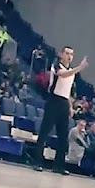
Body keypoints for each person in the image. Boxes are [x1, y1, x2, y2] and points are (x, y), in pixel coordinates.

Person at [32, 46, 87, 175]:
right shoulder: (56, 65)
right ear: (62, 54)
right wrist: (79, 68)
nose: (69, 56)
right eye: (67, 53)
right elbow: (62, 74)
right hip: (53, 101)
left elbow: (68, 92)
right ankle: (37, 162)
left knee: (63, 136)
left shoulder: (71, 71)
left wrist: (70, 107)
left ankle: (59, 166)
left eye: (71, 54)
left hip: (64, 103)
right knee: (44, 132)